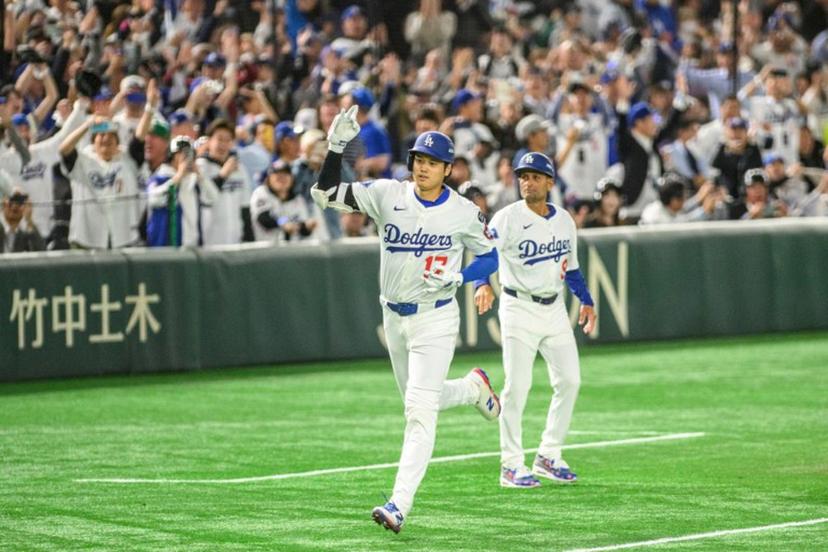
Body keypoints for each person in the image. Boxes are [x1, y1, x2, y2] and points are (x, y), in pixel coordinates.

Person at [311, 107, 500, 533]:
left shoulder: (462, 211)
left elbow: (490, 252)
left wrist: (464, 275)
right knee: (421, 400)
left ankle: (398, 504)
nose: (422, 167)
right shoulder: (387, 193)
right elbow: (324, 194)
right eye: (418, 159)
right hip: (393, 317)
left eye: (432, 162)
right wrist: (335, 148)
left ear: (448, 169)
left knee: (418, 411)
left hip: (435, 317)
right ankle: (473, 389)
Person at [473, 152, 596, 489]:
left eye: (535, 176)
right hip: (518, 308)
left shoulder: (564, 220)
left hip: (554, 308)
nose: (527, 182)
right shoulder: (507, 218)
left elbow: (570, 268)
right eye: (523, 176)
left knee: (570, 380)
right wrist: (482, 283)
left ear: (549, 182)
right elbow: (484, 253)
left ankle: (548, 455)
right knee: (517, 387)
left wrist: (585, 300)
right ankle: (511, 464)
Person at [146, 136, 219, 247]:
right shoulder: (160, 177)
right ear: (172, 156)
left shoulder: (195, 180)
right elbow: (154, 200)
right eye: (182, 154)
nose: (187, 158)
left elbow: (214, 197)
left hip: (192, 244)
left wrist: (200, 176)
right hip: (165, 245)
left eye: (190, 154)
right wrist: (178, 177)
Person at [1, 189, 45, 253]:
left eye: (20, 202)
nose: (15, 206)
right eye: (11, 201)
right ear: (3, 205)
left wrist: (29, 220)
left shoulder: (26, 236)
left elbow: (41, 254)